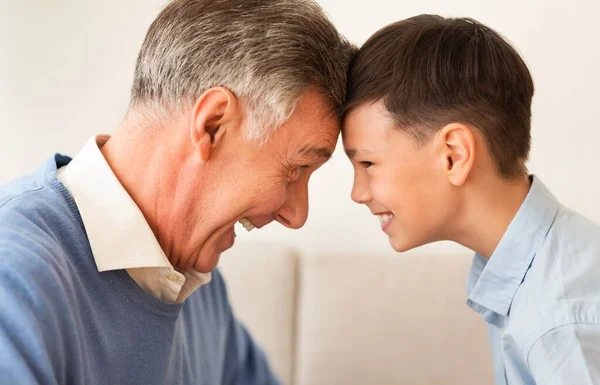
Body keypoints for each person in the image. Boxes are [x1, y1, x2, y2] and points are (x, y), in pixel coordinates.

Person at [0, 0, 355, 384]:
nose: (297, 215)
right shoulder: (15, 277)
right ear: (213, 125)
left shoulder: (197, 283)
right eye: (296, 168)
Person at [342, 14, 600, 384]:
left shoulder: (558, 322)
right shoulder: (534, 270)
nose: (357, 193)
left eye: (368, 162)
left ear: (455, 155)